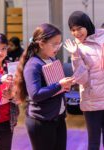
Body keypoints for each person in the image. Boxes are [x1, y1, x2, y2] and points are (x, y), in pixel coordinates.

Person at [13, 23, 73, 150]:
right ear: (41, 44)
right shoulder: (33, 65)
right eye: (54, 44)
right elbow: (35, 94)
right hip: (41, 121)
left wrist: (65, 86)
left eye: (59, 43)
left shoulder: (51, 59)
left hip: (56, 117)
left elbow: (54, 87)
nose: (58, 47)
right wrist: (59, 85)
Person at [64, 11, 104, 150]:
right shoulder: (77, 48)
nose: (76, 33)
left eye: (79, 28)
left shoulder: (102, 37)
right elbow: (81, 80)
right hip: (91, 101)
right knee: (93, 143)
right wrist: (75, 56)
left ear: (87, 25)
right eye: (73, 30)